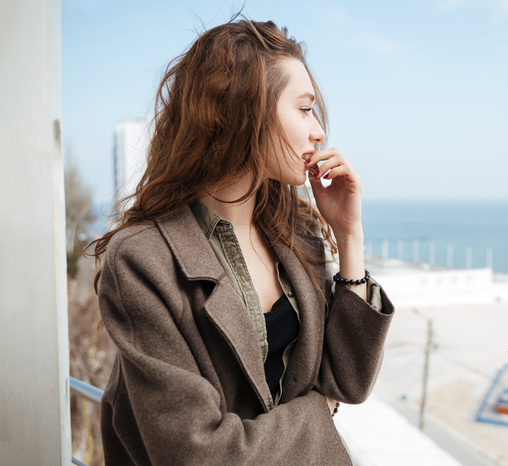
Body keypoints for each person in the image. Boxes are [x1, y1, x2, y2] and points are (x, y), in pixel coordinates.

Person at [90, 17, 394, 465]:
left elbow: (347, 383)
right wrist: (317, 410)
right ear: (246, 109)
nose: (319, 131)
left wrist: (349, 236)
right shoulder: (142, 260)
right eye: (305, 108)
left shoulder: (298, 231)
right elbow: (197, 453)